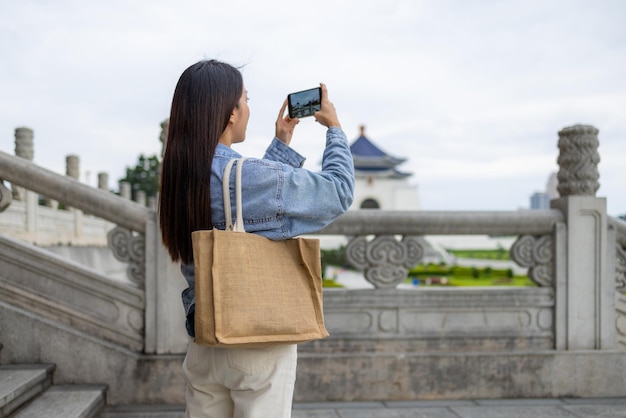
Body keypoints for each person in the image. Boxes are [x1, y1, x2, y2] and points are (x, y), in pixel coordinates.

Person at [158, 59, 355, 418]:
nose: (248, 108)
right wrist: (335, 128)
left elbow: (238, 205)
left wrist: (281, 144)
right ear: (230, 113)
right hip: (256, 340)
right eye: (244, 99)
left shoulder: (180, 175)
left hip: (204, 339)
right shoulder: (247, 176)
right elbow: (338, 192)